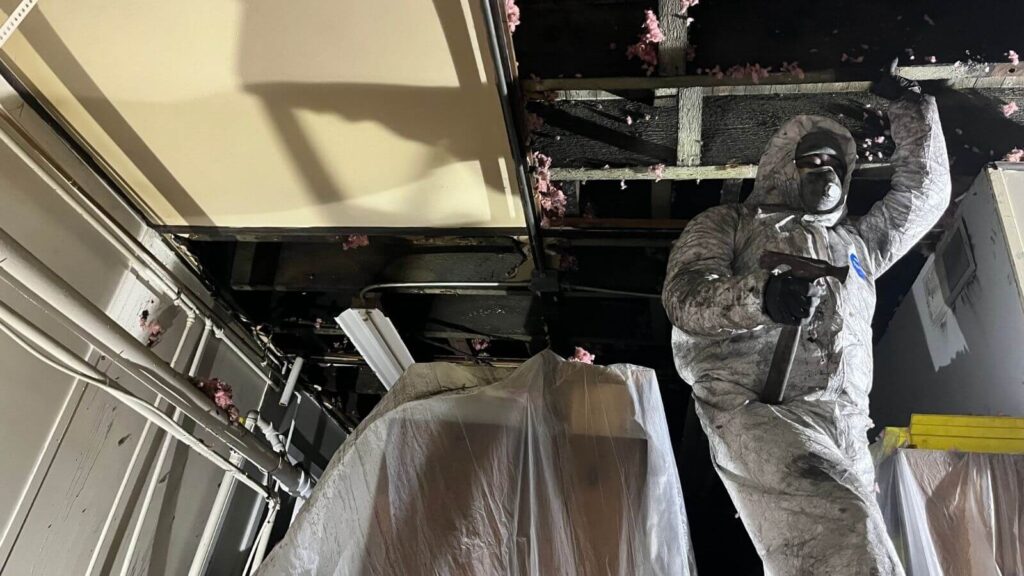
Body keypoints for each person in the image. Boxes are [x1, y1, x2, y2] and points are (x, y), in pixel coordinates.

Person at [662, 62, 950, 575]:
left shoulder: (858, 245)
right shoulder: (733, 224)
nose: (824, 170)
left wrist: (911, 112)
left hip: (843, 420)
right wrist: (761, 297)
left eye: (834, 164)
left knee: (858, 554)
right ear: (785, 168)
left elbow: (923, 197)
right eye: (810, 159)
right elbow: (684, 298)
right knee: (845, 536)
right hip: (759, 406)